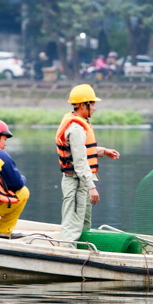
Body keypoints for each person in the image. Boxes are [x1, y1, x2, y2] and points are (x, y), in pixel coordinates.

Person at [56, 84, 120, 245]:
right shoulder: (76, 128)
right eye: (93, 104)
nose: (94, 108)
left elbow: (81, 150)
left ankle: (80, 257)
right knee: (72, 227)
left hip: (81, 182)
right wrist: (91, 186)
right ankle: (66, 258)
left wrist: (103, 151)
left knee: (83, 225)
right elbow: (79, 161)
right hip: (77, 182)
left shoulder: (78, 123)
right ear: (84, 105)